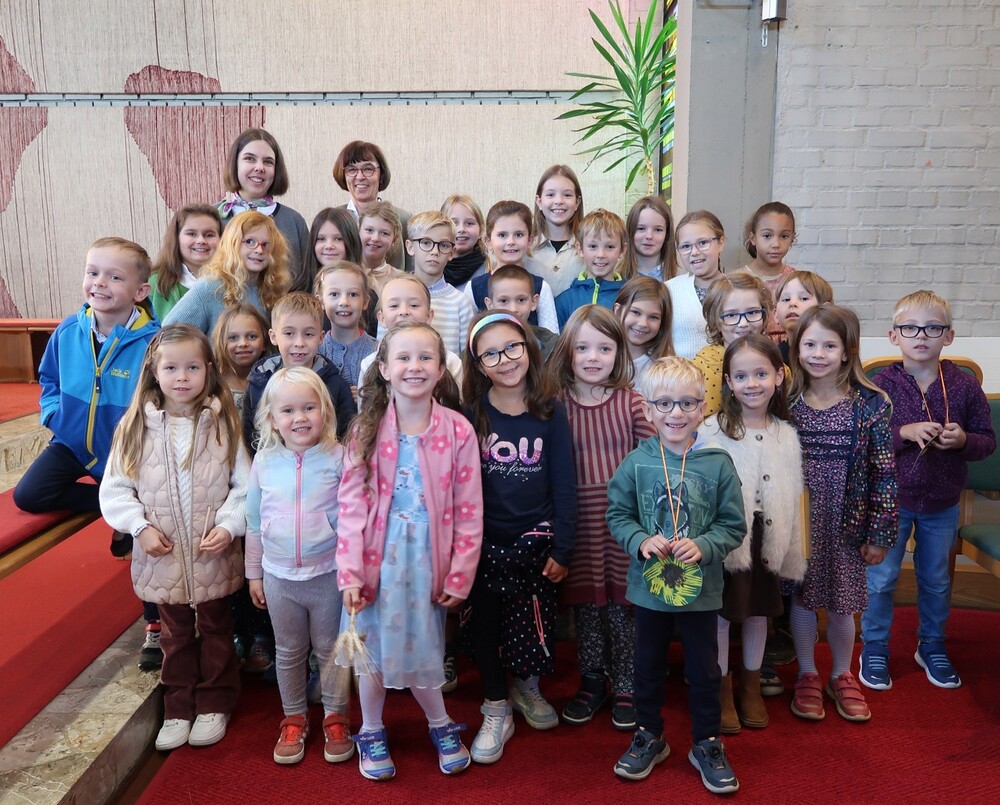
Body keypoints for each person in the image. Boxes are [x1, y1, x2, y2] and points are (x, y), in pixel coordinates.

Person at [336, 322, 483, 779]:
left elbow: (469, 510)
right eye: (403, 357)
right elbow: (350, 507)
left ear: (440, 369)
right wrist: (350, 573)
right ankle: (371, 729)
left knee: (423, 648)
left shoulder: (458, 431)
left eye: (425, 357)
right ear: (384, 368)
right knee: (371, 651)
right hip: (374, 562)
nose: (414, 366)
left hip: (425, 563)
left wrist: (460, 574)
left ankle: (439, 722)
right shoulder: (365, 430)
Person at [99, 324, 249, 751]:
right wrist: (139, 528)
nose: (182, 377)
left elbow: (244, 486)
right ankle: (178, 707)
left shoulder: (223, 424)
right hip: (161, 556)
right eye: (171, 368)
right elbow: (115, 489)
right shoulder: (134, 427)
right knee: (175, 635)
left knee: (217, 629)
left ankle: (215, 702)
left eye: (192, 367)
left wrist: (228, 525)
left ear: (208, 370)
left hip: (212, 554)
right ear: (154, 370)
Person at [13, 237, 161, 663]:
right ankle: (114, 511)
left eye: (114, 277)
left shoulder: (152, 342)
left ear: (140, 290)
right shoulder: (68, 331)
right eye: (93, 273)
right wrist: (52, 414)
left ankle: (154, 624)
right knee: (29, 494)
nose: (99, 283)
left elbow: (162, 396)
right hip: (72, 443)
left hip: (125, 455)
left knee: (147, 527)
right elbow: (49, 379)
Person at [606, 357, 744, 792]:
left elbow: (733, 525)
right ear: (648, 411)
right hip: (649, 591)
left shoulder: (718, 463)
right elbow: (618, 514)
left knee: (704, 669)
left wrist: (705, 545)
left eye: (686, 403)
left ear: (702, 408)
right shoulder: (636, 462)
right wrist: (640, 540)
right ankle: (649, 734)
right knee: (647, 665)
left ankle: (707, 742)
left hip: (702, 591)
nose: (676, 413)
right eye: (664, 403)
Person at [860, 290, 995, 691]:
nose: (921, 335)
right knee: (881, 579)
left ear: (948, 336)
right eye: (910, 328)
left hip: (942, 504)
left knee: (936, 580)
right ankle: (875, 646)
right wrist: (903, 432)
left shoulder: (964, 386)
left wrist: (963, 440)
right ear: (893, 336)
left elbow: (987, 441)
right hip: (890, 503)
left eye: (933, 328)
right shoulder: (880, 385)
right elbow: (864, 441)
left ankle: (932, 644)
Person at [461, 311, 577, 764]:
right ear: (478, 364)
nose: (505, 359)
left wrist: (563, 547)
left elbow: (563, 483)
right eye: (490, 354)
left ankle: (527, 686)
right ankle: (496, 705)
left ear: (528, 348)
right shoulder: (471, 414)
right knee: (485, 627)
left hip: (536, 545)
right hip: (483, 546)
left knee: (533, 624)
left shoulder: (550, 411)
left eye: (512, 347)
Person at [786, 305, 898, 723]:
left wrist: (879, 534)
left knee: (842, 604)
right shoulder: (787, 402)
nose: (818, 354)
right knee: (803, 599)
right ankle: (807, 673)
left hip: (847, 523)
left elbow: (884, 473)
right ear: (797, 349)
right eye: (810, 344)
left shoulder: (870, 404)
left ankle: (841, 673)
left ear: (848, 350)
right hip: (801, 522)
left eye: (829, 346)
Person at [549, 305, 654, 729]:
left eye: (604, 348)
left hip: (624, 524)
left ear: (619, 353)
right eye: (583, 348)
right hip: (578, 521)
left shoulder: (632, 403)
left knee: (624, 607)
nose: (593, 357)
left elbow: (653, 463)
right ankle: (592, 680)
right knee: (588, 609)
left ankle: (627, 683)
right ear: (567, 353)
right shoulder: (555, 406)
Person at [244, 367, 354, 765]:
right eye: (288, 410)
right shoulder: (264, 461)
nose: (300, 418)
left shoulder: (339, 457)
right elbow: (253, 521)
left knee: (329, 651)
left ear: (325, 411)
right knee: (289, 651)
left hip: (327, 575)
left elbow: (352, 520)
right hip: (279, 578)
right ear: (272, 419)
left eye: (309, 408)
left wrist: (352, 573)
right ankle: (293, 717)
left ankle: (335, 717)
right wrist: (253, 574)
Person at [700, 335, 805, 733]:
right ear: (728, 381)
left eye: (761, 374)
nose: (752, 384)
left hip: (767, 538)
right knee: (723, 615)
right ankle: (721, 689)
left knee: (759, 611)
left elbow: (794, 496)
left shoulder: (786, 434)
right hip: (726, 542)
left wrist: (793, 552)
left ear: (778, 376)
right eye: (741, 376)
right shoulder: (711, 430)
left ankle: (751, 685)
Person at [243, 292, 356, 453]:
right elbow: (251, 434)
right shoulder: (259, 383)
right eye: (289, 333)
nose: (299, 343)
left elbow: (347, 434)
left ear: (321, 337)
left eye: (308, 334)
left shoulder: (335, 384)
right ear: (273, 337)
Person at [164, 211, 291, 335]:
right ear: (233, 244)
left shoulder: (273, 288)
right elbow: (167, 334)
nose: (259, 250)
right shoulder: (210, 287)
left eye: (266, 244)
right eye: (250, 242)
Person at [216, 128, 309, 291]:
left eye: (268, 162)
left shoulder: (294, 221)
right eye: (250, 159)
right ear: (235, 164)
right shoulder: (213, 217)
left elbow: (308, 282)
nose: (260, 167)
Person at [464, 200, 560, 332]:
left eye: (518, 235)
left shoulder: (541, 287)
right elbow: (468, 336)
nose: (511, 242)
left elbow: (551, 337)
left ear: (529, 240)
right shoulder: (474, 288)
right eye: (502, 235)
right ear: (488, 241)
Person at [357, 276, 464, 392]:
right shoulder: (368, 364)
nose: (404, 312)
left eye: (414, 305)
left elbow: (457, 402)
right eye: (394, 306)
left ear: (429, 316)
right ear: (381, 318)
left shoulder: (451, 362)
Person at [692, 273, 773, 416]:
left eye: (752, 312)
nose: (743, 323)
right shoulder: (702, 368)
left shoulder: (775, 362)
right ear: (716, 321)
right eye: (731, 315)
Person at [332, 140, 411, 271]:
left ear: (381, 174)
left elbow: (412, 272)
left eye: (368, 169)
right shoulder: (333, 220)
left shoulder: (403, 218)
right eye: (352, 169)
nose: (360, 176)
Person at [406, 210, 477, 355]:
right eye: (426, 243)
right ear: (410, 247)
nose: (434, 251)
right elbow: (382, 351)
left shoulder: (461, 303)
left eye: (443, 245)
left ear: (452, 252)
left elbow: (467, 358)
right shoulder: (394, 295)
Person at [303, 208, 377, 337]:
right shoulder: (299, 294)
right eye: (321, 239)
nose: (329, 246)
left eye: (338, 239)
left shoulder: (368, 296)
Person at [555, 208, 631, 328]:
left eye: (610, 247)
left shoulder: (629, 298)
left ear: (622, 250)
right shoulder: (564, 301)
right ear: (580, 249)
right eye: (593, 246)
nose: (601, 255)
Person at [667, 210, 726, 359]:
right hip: (680, 372)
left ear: (721, 243)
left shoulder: (737, 289)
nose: (694, 252)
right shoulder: (668, 290)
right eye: (686, 246)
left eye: (703, 243)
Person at [148, 205, 222, 322]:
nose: (201, 240)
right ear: (176, 238)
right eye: (191, 234)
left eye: (209, 235)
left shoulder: (233, 282)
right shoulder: (155, 283)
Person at [738, 202, 797, 340]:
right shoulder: (737, 281)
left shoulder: (796, 281)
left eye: (784, 236)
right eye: (767, 236)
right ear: (753, 238)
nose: (776, 244)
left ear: (792, 238)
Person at [315, 262, 376, 393]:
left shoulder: (377, 351)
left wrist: (367, 397)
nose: (344, 302)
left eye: (353, 294)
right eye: (334, 294)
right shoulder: (314, 350)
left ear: (365, 302)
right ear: (321, 302)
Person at [529, 165, 586, 297]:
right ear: (539, 201)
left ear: (577, 202)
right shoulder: (525, 249)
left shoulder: (589, 249)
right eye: (550, 195)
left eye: (567, 195)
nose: (559, 201)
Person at [484, 265, 558, 360]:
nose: (513, 309)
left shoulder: (551, 345)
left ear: (534, 302)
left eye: (521, 300)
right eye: (503, 301)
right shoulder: (481, 346)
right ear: (490, 305)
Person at [612, 276, 673, 387]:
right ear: (618, 311)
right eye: (636, 312)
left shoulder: (667, 369)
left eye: (653, 317)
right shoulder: (602, 359)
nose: (643, 323)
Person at [211, 304, 269, 410]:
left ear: (265, 342)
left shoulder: (272, 380)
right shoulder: (211, 381)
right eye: (233, 338)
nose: (243, 343)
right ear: (220, 342)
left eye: (251, 336)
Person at [774, 270, 833, 363]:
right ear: (776, 315)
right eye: (786, 299)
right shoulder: (773, 358)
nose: (792, 303)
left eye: (804, 298)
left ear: (825, 310)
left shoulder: (834, 355)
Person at [358, 201, 408, 296]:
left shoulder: (401, 280)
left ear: (394, 240)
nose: (375, 238)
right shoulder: (344, 273)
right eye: (369, 230)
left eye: (384, 233)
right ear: (358, 232)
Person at [625, 195, 676, 283]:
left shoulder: (681, 277)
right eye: (641, 228)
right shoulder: (615, 276)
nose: (649, 236)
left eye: (658, 230)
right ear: (630, 231)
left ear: (667, 234)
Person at [441, 194, 487, 287]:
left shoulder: (492, 271)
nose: (461, 229)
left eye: (469, 223)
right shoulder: (430, 269)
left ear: (481, 230)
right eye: (453, 223)